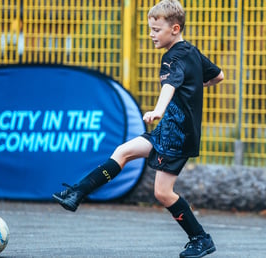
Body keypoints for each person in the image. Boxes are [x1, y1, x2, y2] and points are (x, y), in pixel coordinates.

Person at [52, 0, 224, 257]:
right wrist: (193, 87)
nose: (151, 34)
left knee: (163, 193)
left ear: (175, 29)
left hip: (177, 135)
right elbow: (218, 76)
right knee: (123, 151)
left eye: (156, 30)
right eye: (150, 29)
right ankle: (77, 193)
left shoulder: (173, 57)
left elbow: (170, 85)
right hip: (171, 130)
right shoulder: (191, 52)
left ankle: (200, 238)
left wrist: (159, 109)